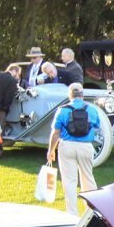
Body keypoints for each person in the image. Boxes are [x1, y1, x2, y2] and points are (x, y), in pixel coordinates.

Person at [46, 82, 100, 215]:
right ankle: (91, 213)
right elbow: (97, 126)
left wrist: (51, 150)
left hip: (67, 146)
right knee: (88, 178)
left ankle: (72, 213)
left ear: (70, 95)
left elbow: (55, 133)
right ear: (82, 95)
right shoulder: (91, 109)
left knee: (69, 181)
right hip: (85, 146)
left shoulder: (63, 110)